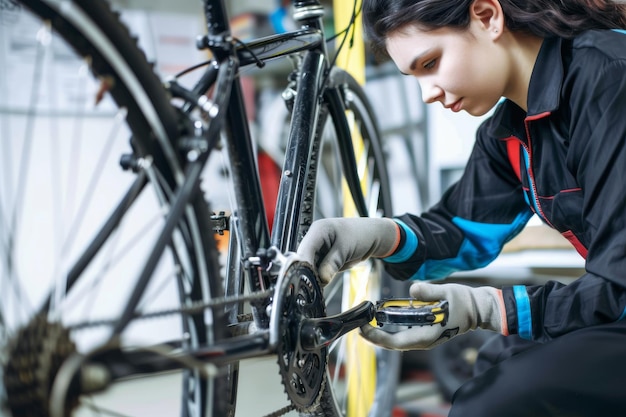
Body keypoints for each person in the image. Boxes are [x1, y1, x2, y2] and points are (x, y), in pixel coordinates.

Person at [296, 0, 626, 415]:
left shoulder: (611, 76)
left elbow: (618, 285)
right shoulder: (509, 134)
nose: (427, 93)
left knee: (498, 400)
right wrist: (378, 237)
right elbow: (460, 229)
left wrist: (486, 308)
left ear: (487, 16)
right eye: (413, 76)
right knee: (495, 364)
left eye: (430, 63)